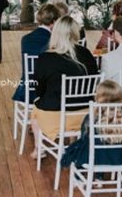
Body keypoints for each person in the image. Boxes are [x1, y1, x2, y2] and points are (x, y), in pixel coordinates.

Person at [30, 16, 90, 154]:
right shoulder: (86, 54)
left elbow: (39, 90)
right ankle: (73, 144)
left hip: (56, 116)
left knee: (34, 113)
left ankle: (39, 149)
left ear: (55, 33)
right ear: (75, 33)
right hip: (84, 115)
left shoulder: (46, 58)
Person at [61, 80, 122, 169]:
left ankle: (81, 177)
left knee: (80, 146)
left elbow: (84, 137)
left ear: (100, 98)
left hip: (95, 159)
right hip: (120, 158)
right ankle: (99, 176)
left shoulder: (92, 118)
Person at [11, 3, 62, 103]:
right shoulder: (54, 40)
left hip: (27, 88)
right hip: (46, 89)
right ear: (54, 21)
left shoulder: (25, 39)